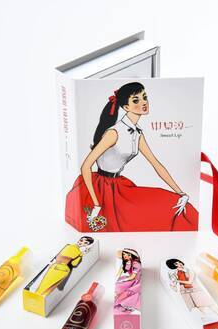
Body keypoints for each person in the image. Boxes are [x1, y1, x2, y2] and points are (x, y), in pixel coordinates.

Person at [65, 82, 198, 232]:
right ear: (126, 107)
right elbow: (85, 166)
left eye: (144, 97)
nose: (144, 102)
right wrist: (96, 204)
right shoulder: (114, 133)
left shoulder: (137, 133)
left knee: (173, 203)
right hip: (100, 189)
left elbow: (156, 164)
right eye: (136, 100)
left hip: (118, 186)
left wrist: (180, 192)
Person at [165, 258, 218, 324]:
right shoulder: (175, 274)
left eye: (178, 262)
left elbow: (190, 282)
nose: (179, 264)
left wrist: (177, 281)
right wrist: (172, 285)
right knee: (199, 307)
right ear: (173, 266)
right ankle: (209, 320)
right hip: (185, 293)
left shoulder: (189, 271)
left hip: (196, 290)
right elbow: (175, 289)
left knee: (208, 304)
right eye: (176, 263)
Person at [114, 248, 142, 313]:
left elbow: (133, 276)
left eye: (127, 254)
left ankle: (124, 302)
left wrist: (124, 280)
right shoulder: (128, 262)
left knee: (120, 286)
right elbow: (124, 270)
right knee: (118, 284)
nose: (124, 256)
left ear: (131, 255)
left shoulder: (136, 264)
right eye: (123, 254)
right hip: (130, 278)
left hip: (135, 281)